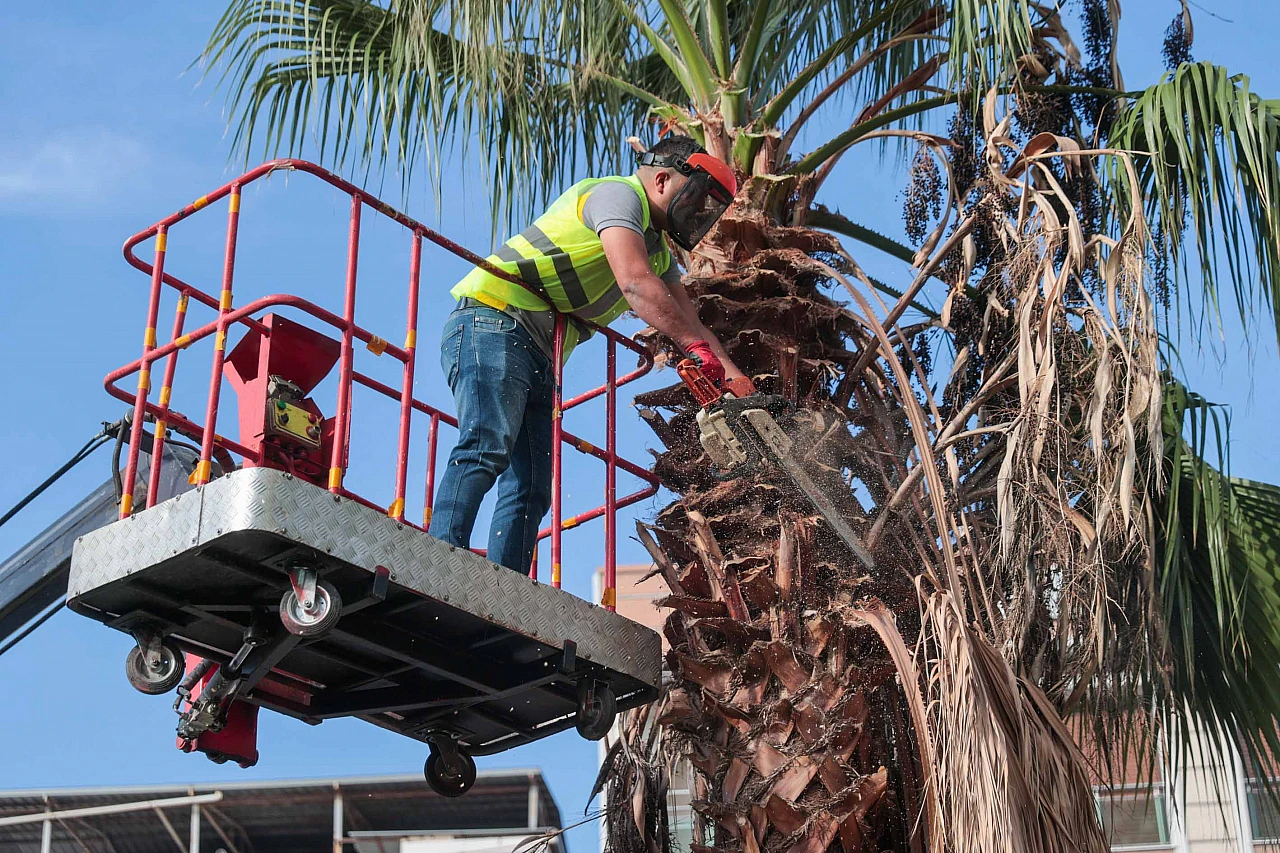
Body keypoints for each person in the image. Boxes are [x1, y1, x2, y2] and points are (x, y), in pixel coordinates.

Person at [427, 135, 749, 573]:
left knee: (532, 488)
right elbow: (635, 283)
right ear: (661, 180)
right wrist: (693, 348)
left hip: (539, 352)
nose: (698, 213)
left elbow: (693, 326)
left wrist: (737, 383)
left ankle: (504, 586)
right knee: (487, 441)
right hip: (493, 319)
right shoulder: (619, 196)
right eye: (696, 198)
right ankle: (438, 558)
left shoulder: (658, 253)